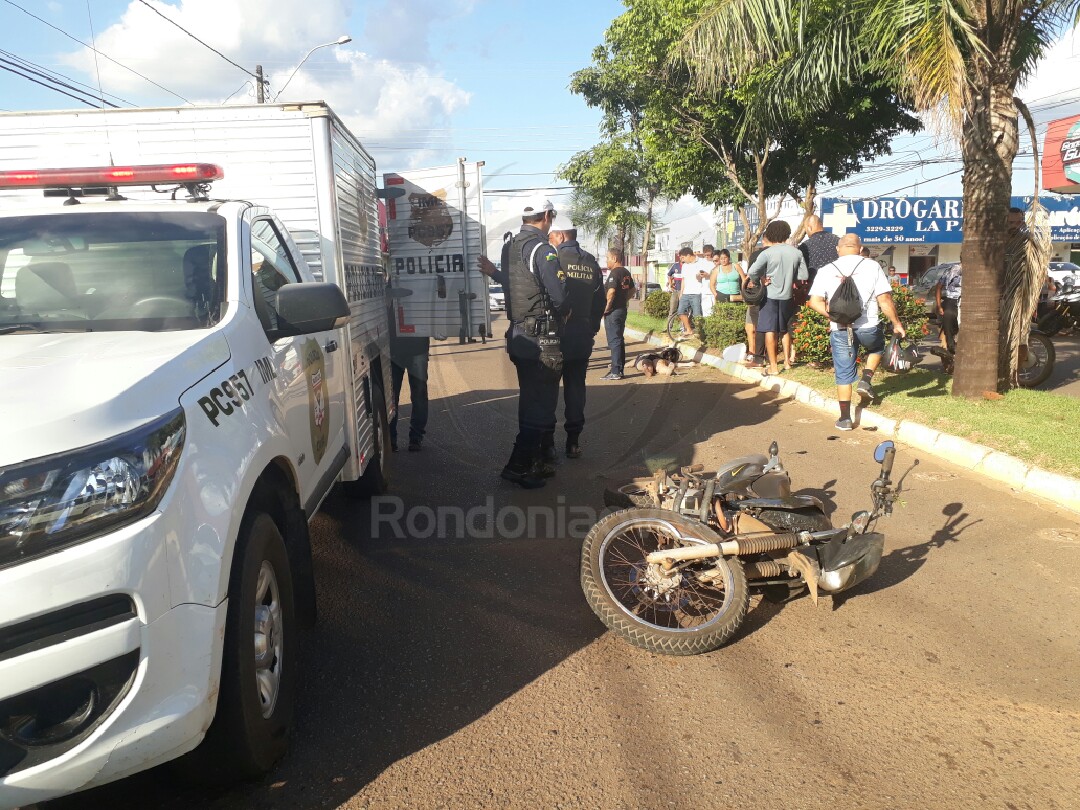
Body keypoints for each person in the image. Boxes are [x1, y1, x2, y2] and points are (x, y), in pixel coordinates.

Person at [476, 198, 569, 488]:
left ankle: (536, 461)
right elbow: (560, 296)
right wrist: (565, 313)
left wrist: (493, 272)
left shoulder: (510, 246)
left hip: (519, 336)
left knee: (530, 401)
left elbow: (515, 284)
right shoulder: (543, 249)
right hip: (542, 338)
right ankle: (518, 466)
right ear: (548, 216)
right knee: (542, 406)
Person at [808, 233, 906, 431]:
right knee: (877, 348)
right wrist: (896, 323)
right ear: (860, 249)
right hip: (869, 325)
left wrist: (833, 316)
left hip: (840, 329)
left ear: (838, 249)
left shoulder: (827, 270)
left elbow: (814, 302)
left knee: (843, 372)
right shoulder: (872, 266)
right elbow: (885, 299)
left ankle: (845, 418)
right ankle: (866, 379)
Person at [547, 215, 605, 458]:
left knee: (548, 390)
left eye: (550, 236)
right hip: (581, 335)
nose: (549, 240)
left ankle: (547, 444)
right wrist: (590, 328)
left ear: (560, 236)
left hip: (555, 334)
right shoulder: (591, 262)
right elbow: (600, 301)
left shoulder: (552, 259)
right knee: (575, 389)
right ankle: (573, 442)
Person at [746, 220, 808, 375]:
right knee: (785, 329)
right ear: (787, 233)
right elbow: (804, 275)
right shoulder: (796, 252)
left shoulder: (767, 253)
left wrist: (760, 280)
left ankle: (773, 367)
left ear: (771, 233)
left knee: (770, 330)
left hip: (770, 297)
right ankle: (787, 362)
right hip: (788, 296)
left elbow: (752, 272)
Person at [389, 332, 430, 453]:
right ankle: (414, 438)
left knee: (394, 396)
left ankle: (398, 439)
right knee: (417, 395)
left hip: (399, 348)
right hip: (408, 348)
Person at [602, 248, 635, 380]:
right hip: (622, 309)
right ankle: (619, 370)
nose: (606, 261)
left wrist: (607, 308)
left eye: (607, 258)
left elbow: (611, 292)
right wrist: (624, 300)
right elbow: (633, 290)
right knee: (619, 339)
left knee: (614, 340)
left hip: (613, 311)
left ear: (614, 259)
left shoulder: (614, 273)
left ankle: (615, 371)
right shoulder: (626, 272)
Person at [797, 214, 839, 287]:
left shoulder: (805, 246)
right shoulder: (838, 241)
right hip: (837, 285)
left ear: (809, 228)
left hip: (814, 287)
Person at [676, 246, 708, 336]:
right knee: (680, 311)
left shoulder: (701, 262)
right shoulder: (685, 266)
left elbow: (705, 275)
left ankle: (701, 334)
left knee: (697, 315)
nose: (682, 260)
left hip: (697, 293)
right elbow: (683, 280)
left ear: (689, 255)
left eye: (683, 257)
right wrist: (681, 293)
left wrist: (700, 275)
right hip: (685, 293)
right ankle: (689, 329)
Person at [936, 262, 962, 354]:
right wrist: (939, 306)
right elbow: (938, 287)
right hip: (952, 300)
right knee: (948, 314)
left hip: (966, 301)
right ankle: (950, 345)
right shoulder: (951, 270)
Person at [666, 251, 683, 318]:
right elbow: (669, 275)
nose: (682, 257)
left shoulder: (688, 266)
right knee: (672, 309)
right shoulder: (675, 265)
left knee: (683, 310)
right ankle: (669, 327)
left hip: (684, 292)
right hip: (675, 291)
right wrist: (671, 284)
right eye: (680, 255)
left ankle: (683, 327)